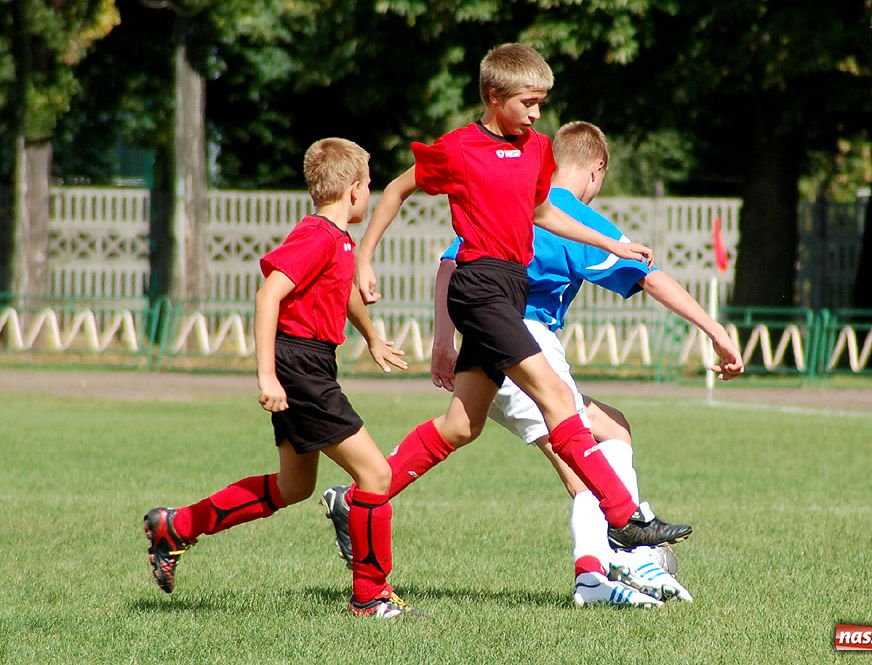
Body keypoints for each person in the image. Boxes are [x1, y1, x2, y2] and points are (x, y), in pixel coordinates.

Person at [326, 122, 744, 607]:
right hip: (523, 339)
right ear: (597, 169)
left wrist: (443, 338)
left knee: (473, 427)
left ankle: (359, 498)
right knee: (588, 454)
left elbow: (450, 263)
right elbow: (651, 279)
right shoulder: (570, 213)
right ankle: (612, 566)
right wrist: (717, 332)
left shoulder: (513, 194)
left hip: (483, 329)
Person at [345, 43, 655, 549]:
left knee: (462, 425)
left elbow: (544, 214)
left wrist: (612, 243)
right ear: (494, 96)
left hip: (511, 287)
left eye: (540, 104)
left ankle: (362, 497)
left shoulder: (536, 149)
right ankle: (622, 515)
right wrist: (364, 257)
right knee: (557, 397)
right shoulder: (459, 148)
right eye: (527, 103)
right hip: (479, 285)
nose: (536, 114)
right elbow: (398, 190)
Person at [143, 138, 419, 619]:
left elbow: (341, 287)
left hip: (308, 364)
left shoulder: (337, 239)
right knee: (375, 474)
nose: (370, 194)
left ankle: (177, 526)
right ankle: (370, 596)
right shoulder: (316, 236)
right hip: (300, 367)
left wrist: (372, 336)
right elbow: (268, 295)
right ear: (354, 191)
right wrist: (267, 376)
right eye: (370, 185)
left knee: (294, 487)